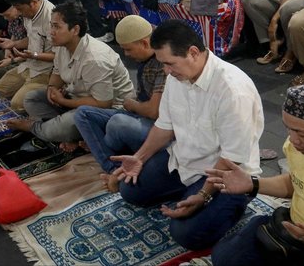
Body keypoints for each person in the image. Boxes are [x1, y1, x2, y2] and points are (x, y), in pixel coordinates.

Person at [111, 19, 264, 250]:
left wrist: (203, 195)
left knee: (185, 234)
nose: (166, 71)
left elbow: (232, 157)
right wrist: (139, 158)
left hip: (225, 174)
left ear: (193, 52)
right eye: (163, 64)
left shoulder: (233, 90)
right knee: (130, 190)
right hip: (184, 160)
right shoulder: (177, 76)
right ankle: (189, 192)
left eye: (170, 63)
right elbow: (164, 126)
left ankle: (234, 203)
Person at [208, 82, 304, 266]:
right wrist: (253, 184)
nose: (292, 139)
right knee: (223, 258)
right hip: (292, 229)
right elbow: (296, 183)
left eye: (301, 134)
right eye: (288, 128)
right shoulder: (298, 146)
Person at [7, 0, 134, 151]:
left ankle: (35, 128)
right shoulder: (62, 45)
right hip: (78, 98)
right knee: (32, 99)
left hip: (109, 111)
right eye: (51, 26)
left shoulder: (94, 59)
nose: (51, 32)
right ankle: (75, 134)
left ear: (74, 30)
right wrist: (52, 88)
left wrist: (63, 101)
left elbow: (103, 104)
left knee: (54, 129)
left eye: (56, 27)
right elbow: (57, 71)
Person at [74, 15, 166, 192]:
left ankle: (112, 163)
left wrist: (132, 105)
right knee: (83, 114)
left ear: (145, 43)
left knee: (116, 125)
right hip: (139, 116)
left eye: (128, 49)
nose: (126, 55)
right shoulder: (149, 61)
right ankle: (115, 169)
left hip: (161, 128)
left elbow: (154, 112)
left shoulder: (163, 63)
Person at [0, 0, 55, 112]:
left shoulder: (51, 18)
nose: (17, 12)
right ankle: (29, 88)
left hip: (46, 71)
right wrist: (14, 44)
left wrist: (33, 55)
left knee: (16, 105)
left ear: (33, 3)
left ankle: (45, 94)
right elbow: (32, 38)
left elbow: (60, 56)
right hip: (30, 64)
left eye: (19, 8)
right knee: (1, 88)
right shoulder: (28, 14)